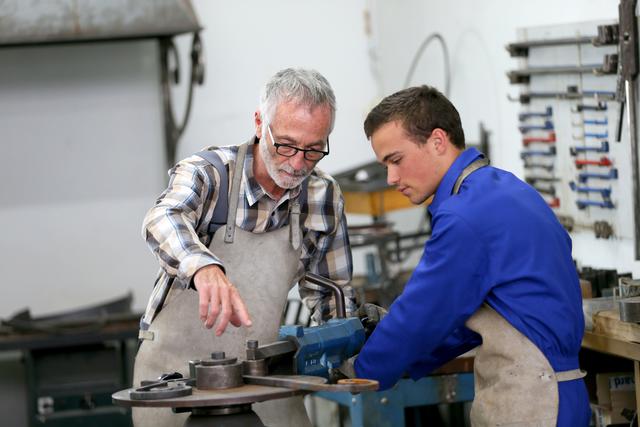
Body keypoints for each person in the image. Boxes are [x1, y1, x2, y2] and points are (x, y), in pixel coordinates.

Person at [354, 85, 590, 426]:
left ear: (437, 141)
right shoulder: (504, 189)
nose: (391, 178)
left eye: (396, 160)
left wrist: (362, 368)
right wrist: (400, 348)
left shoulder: (466, 214)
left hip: (534, 402)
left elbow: (422, 313)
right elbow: (469, 316)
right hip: (556, 393)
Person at [133, 68, 355, 427]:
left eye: (313, 150)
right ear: (258, 123)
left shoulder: (323, 197)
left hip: (263, 382)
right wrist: (203, 267)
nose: (297, 163)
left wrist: (350, 356)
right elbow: (161, 218)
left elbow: (334, 300)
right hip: (173, 385)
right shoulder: (210, 174)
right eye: (285, 144)